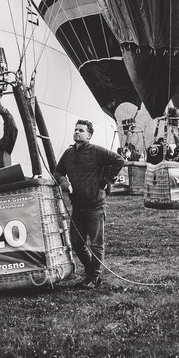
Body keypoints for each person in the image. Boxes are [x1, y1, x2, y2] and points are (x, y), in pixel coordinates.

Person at [53, 120, 124, 288]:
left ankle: (93, 277)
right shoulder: (68, 153)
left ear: (89, 135)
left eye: (81, 130)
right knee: (76, 243)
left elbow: (118, 160)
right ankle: (92, 272)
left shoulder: (97, 151)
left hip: (96, 206)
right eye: (76, 129)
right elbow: (57, 171)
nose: (77, 132)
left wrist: (105, 180)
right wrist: (63, 181)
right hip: (77, 206)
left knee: (96, 243)